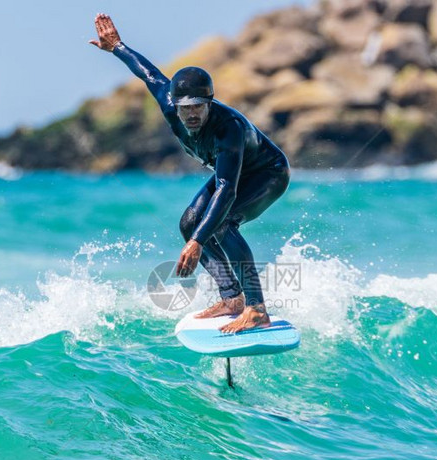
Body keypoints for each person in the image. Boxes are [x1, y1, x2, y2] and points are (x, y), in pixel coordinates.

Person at [90, 13, 290, 333]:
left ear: (209, 102)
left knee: (222, 223)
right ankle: (231, 298)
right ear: (176, 104)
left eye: (199, 106)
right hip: (235, 174)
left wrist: (198, 242)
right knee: (188, 223)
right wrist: (117, 47)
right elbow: (150, 75)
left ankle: (256, 309)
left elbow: (227, 189)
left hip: (269, 174)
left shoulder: (229, 129)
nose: (192, 114)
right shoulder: (170, 105)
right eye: (186, 107)